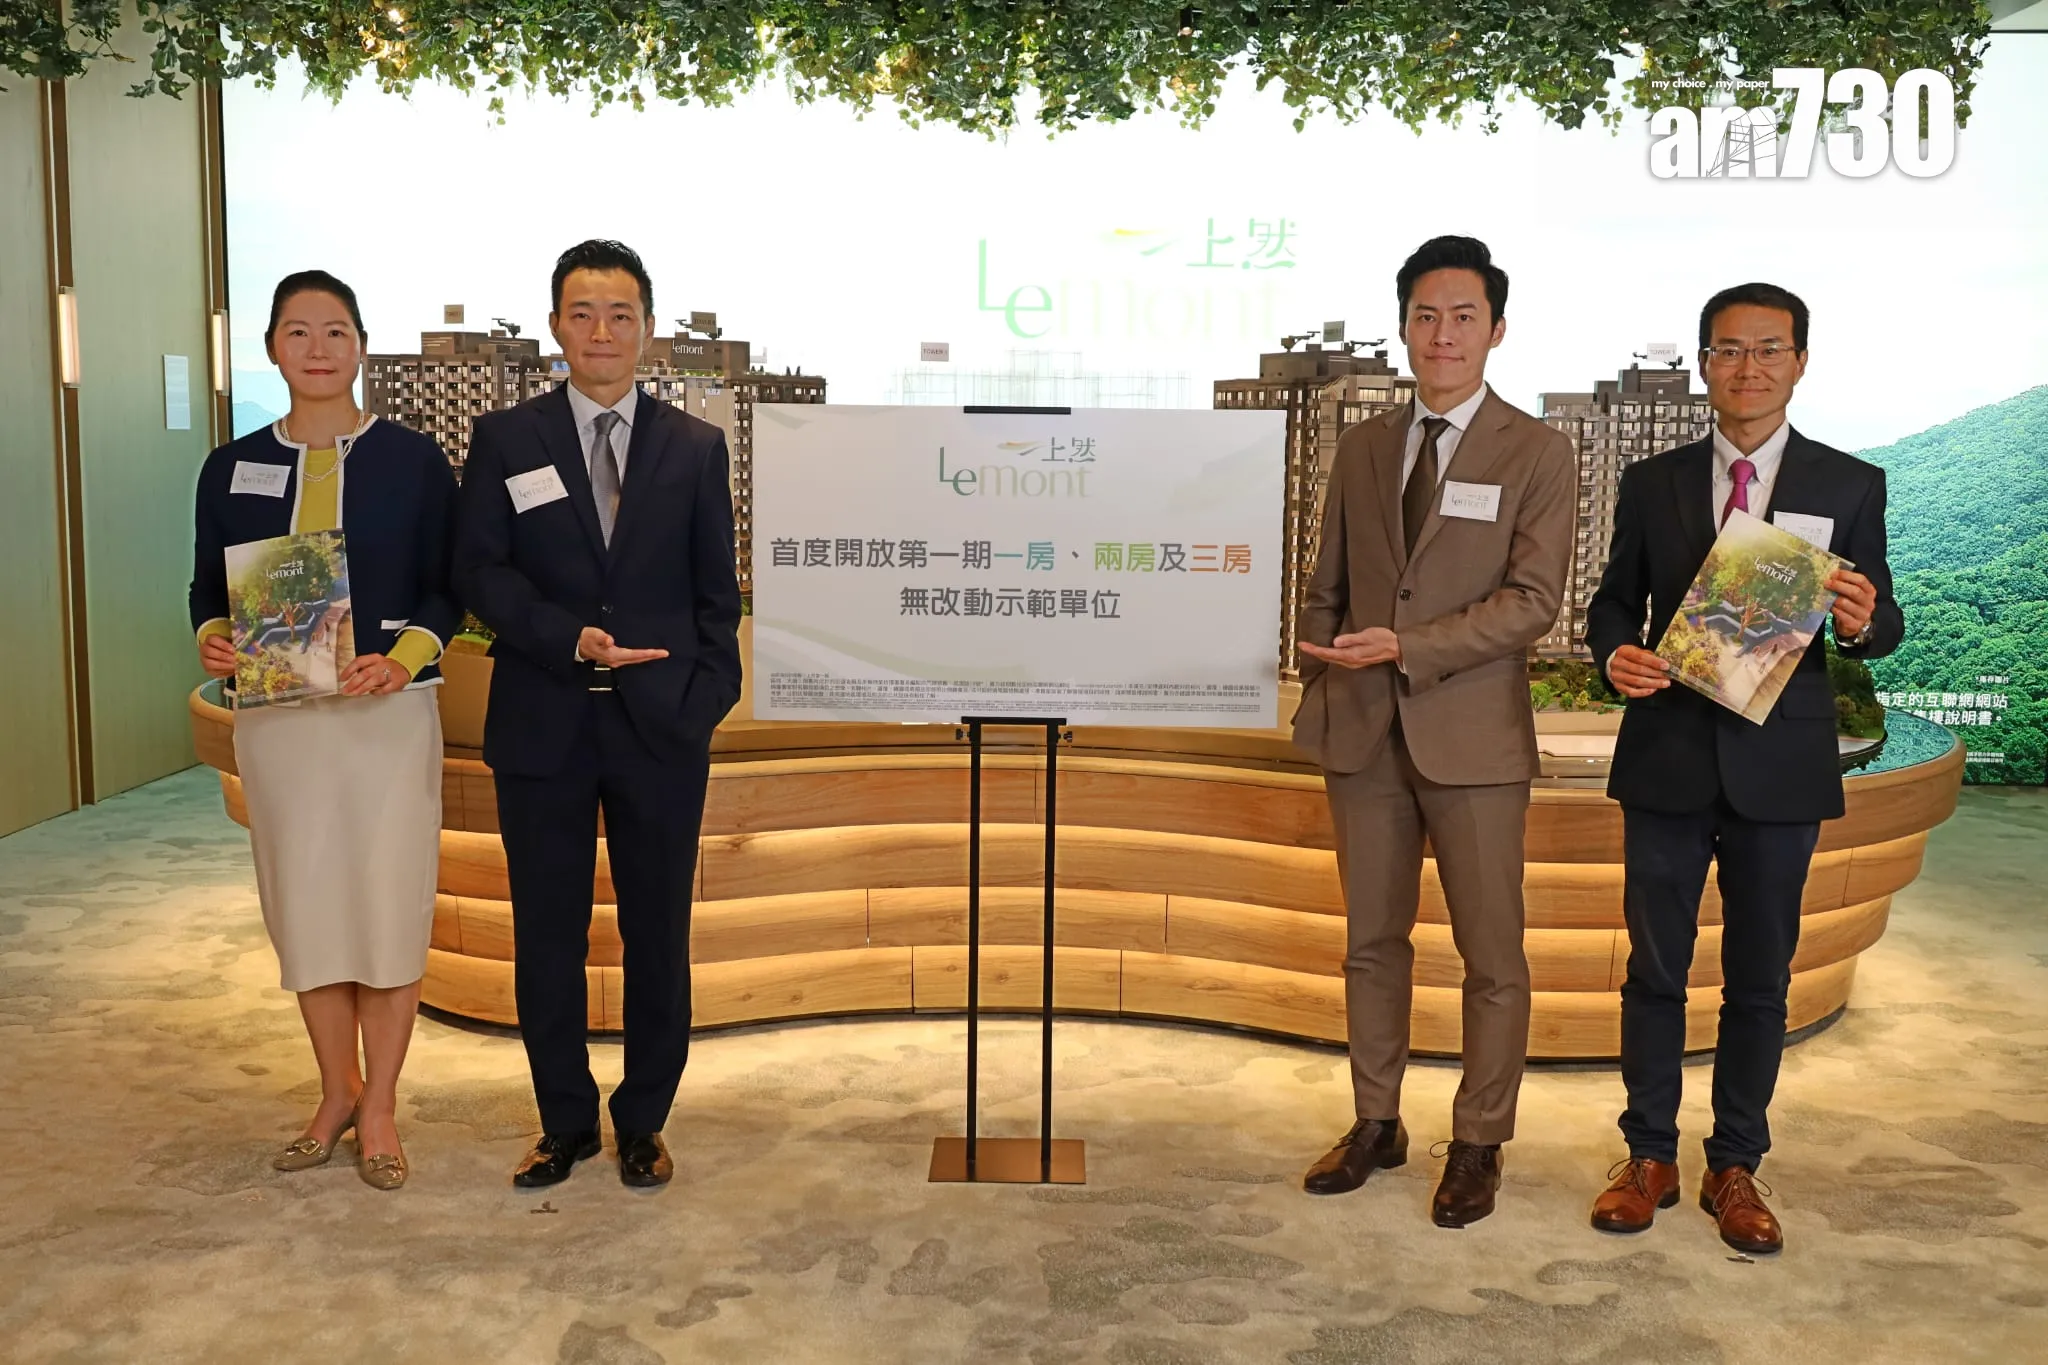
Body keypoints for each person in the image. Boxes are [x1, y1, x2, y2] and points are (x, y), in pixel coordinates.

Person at [1584, 283, 1901, 1254]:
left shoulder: (1850, 483)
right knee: (1653, 971)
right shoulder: (1653, 480)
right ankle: (1646, 1155)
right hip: (1668, 756)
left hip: (1780, 764)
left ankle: (1735, 1165)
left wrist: (1861, 622)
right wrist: (1612, 653)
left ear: (1799, 361)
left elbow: (1882, 620)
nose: (1748, 366)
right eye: (1728, 349)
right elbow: (1611, 603)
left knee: (1759, 978)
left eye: (1768, 349)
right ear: (1703, 364)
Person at [1292, 236, 1575, 1226]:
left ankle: (1479, 1141)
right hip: (1361, 734)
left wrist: (1407, 647)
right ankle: (1376, 1122)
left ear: (1496, 330)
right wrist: (1321, 669)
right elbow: (1325, 582)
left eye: (1462, 317)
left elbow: (1532, 601)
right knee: (1370, 943)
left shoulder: (1535, 451)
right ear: (1404, 326)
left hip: (1474, 742)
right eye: (1424, 315)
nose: (1441, 334)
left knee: (1491, 956)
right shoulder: (1365, 446)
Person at [453, 240, 742, 1189]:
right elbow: (478, 571)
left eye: (621, 314)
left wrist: (704, 702)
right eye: (583, 313)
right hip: (544, 722)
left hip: (662, 729)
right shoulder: (506, 439)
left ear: (647, 329)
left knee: (659, 934)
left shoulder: (695, 447)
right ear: (555, 327)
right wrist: (565, 636)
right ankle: (564, 1121)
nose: (602, 331)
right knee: (548, 935)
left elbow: (716, 595)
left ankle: (644, 1120)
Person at [189, 270, 460, 1191]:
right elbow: (206, 589)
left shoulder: (413, 460)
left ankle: (380, 1104)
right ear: (272, 348)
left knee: (386, 903)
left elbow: (449, 585)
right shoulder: (230, 467)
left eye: (335, 330)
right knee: (306, 906)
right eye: (298, 331)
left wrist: (408, 657)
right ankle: (335, 1089)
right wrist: (215, 636)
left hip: (385, 715)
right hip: (280, 724)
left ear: (361, 347)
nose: (317, 347)